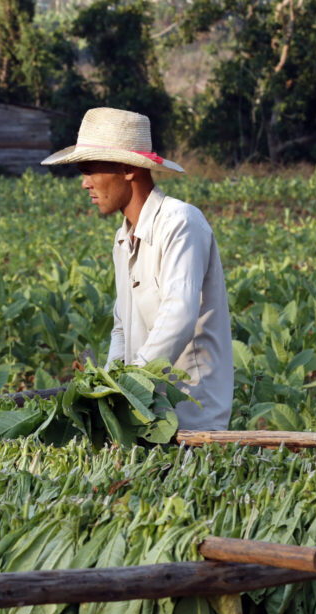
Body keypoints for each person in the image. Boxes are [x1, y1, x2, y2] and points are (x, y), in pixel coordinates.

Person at [41, 107, 233, 430]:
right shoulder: (123, 239)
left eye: (90, 170)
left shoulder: (180, 223)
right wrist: (111, 385)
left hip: (192, 419)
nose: (85, 183)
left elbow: (178, 318)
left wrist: (128, 386)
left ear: (128, 168)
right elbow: (122, 326)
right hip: (146, 414)